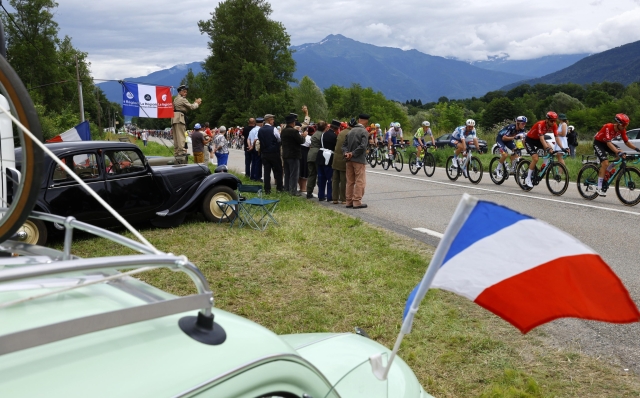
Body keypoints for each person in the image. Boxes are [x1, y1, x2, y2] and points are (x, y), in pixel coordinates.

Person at [593, 113, 639, 196]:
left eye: (626, 125)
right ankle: (598, 187)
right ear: (618, 123)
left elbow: (627, 142)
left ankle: (607, 171)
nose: (625, 127)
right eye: (624, 125)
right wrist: (617, 152)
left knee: (620, 155)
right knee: (605, 163)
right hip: (599, 143)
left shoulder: (622, 130)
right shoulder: (608, 126)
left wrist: (637, 149)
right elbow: (608, 143)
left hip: (607, 143)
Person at [523, 111, 565, 188]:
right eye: (551, 121)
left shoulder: (554, 125)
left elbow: (557, 137)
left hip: (538, 140)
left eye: (555, 121)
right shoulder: (540, 124)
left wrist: (562, 148)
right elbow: (542, 139)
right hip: (530, 140)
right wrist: (547, 148)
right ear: (547, 119)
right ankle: (528, 178)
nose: (553, 123)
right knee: (535, 158)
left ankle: (543, 166)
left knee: (550, 149)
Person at [343, 114, 370, 209]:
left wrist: (347, 153)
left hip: (348, 160)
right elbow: (363, 146)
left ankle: (348, 201)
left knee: (350, 181)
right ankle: (357, 201)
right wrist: (353, 153)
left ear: (359, 120)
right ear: (366, 121)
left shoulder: (351, 131)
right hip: (358, 159)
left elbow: (344, 145)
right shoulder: (364, 131)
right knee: (360, 181)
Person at [171, 85, 201, 163]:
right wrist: (197, 103)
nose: (185, 93)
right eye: (184, 92)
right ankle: (181, 151)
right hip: (180, 118)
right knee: (181, 136)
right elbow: (191, 107)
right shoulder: (182, 99)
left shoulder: (175, 99)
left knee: (176, 136)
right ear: (180, 92)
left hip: (174, 118)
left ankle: (177, 151)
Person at [281, 114, 307, 195]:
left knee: (287, 173)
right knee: (294, 174)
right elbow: (301, 141)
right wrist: (304, 136)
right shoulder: (294, 131)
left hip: (285, 154)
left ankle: (287, 188)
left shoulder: (283, 131)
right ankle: (293, 191)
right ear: (293, 123)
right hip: (294, 154)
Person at [258, 114, 283, 194]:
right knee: (278, 170)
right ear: (269, 120)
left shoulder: (260, 130)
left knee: (266, 172)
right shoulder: (273, 129)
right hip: (274, 152)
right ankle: (279, 188)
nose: (273, 121)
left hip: (264, 153)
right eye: (272, 119)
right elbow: (279, 139)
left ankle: (267, 189)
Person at [317, 120, 338, 202]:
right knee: (330, 178)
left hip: (320, 155)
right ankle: (330, 196)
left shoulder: (323, 134)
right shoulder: (334, 136)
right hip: (329, 156)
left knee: (321, 177)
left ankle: (321, 195)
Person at [306, 121, 326, 199]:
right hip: (318, 154)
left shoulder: (314, 134)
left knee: (311, 174)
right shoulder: (322, 135)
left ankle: (309, 192)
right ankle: (321, 193)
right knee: (320, 175)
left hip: (310, 154)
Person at [332, 122, 349, 204]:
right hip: (343, 159)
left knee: (335, 179)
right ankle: (343, 198)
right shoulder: (350, 133)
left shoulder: (341, 133)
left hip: (336, 158)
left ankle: (334, 198)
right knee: (343, 180)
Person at [299, 125, 314, 193]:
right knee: (304, 171)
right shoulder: (309, 138)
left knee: (299, 170)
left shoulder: (299, 135)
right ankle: (303, 187)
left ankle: (300, 186)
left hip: (299, 153)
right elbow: (311, 146)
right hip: (305, 154)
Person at [248, 117, 263, 182]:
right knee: (258, 163)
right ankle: (257, 177)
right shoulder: (259, 130)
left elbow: (248, 139)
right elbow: (256, 139)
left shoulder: (252, 130)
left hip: (252, 147)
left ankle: (252, 176)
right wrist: (252, 146)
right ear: (262, 123)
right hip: (257, 147)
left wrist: (249, 146)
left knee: (253, 162)